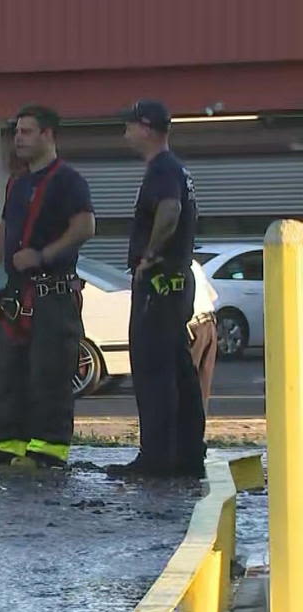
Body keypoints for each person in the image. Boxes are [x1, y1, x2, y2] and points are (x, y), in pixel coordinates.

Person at [0, 104, 96, 469]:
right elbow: (5, 230)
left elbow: (86, 226)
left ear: (48, 135)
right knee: (8, 370)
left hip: (53, 295)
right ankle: (8, 444)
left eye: (26, 132)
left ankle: (48, 452)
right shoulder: (18, 182)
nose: (18, 139)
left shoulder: (68, 181)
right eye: (17, 132)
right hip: (16, 294)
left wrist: (43, 255)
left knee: (50, 373)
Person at [108, 99, 207, 478]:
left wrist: (149, 255)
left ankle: (157, 459)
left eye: (130, 125)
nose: (125, 132)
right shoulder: (176, 169)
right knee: (178, 370)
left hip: (160, 286)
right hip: (175, 285)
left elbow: (170, 211)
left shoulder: (162, 170)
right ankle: (186, 455)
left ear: (147, 128)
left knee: (153, 372)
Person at [189, 260, 219, 406]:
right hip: (209, 321)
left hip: (192, 326)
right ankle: (198, 424)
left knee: (187, 382)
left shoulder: (170, 265)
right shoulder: (194, 264)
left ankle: (187, 426)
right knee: (203, 382)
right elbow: (213, 296)